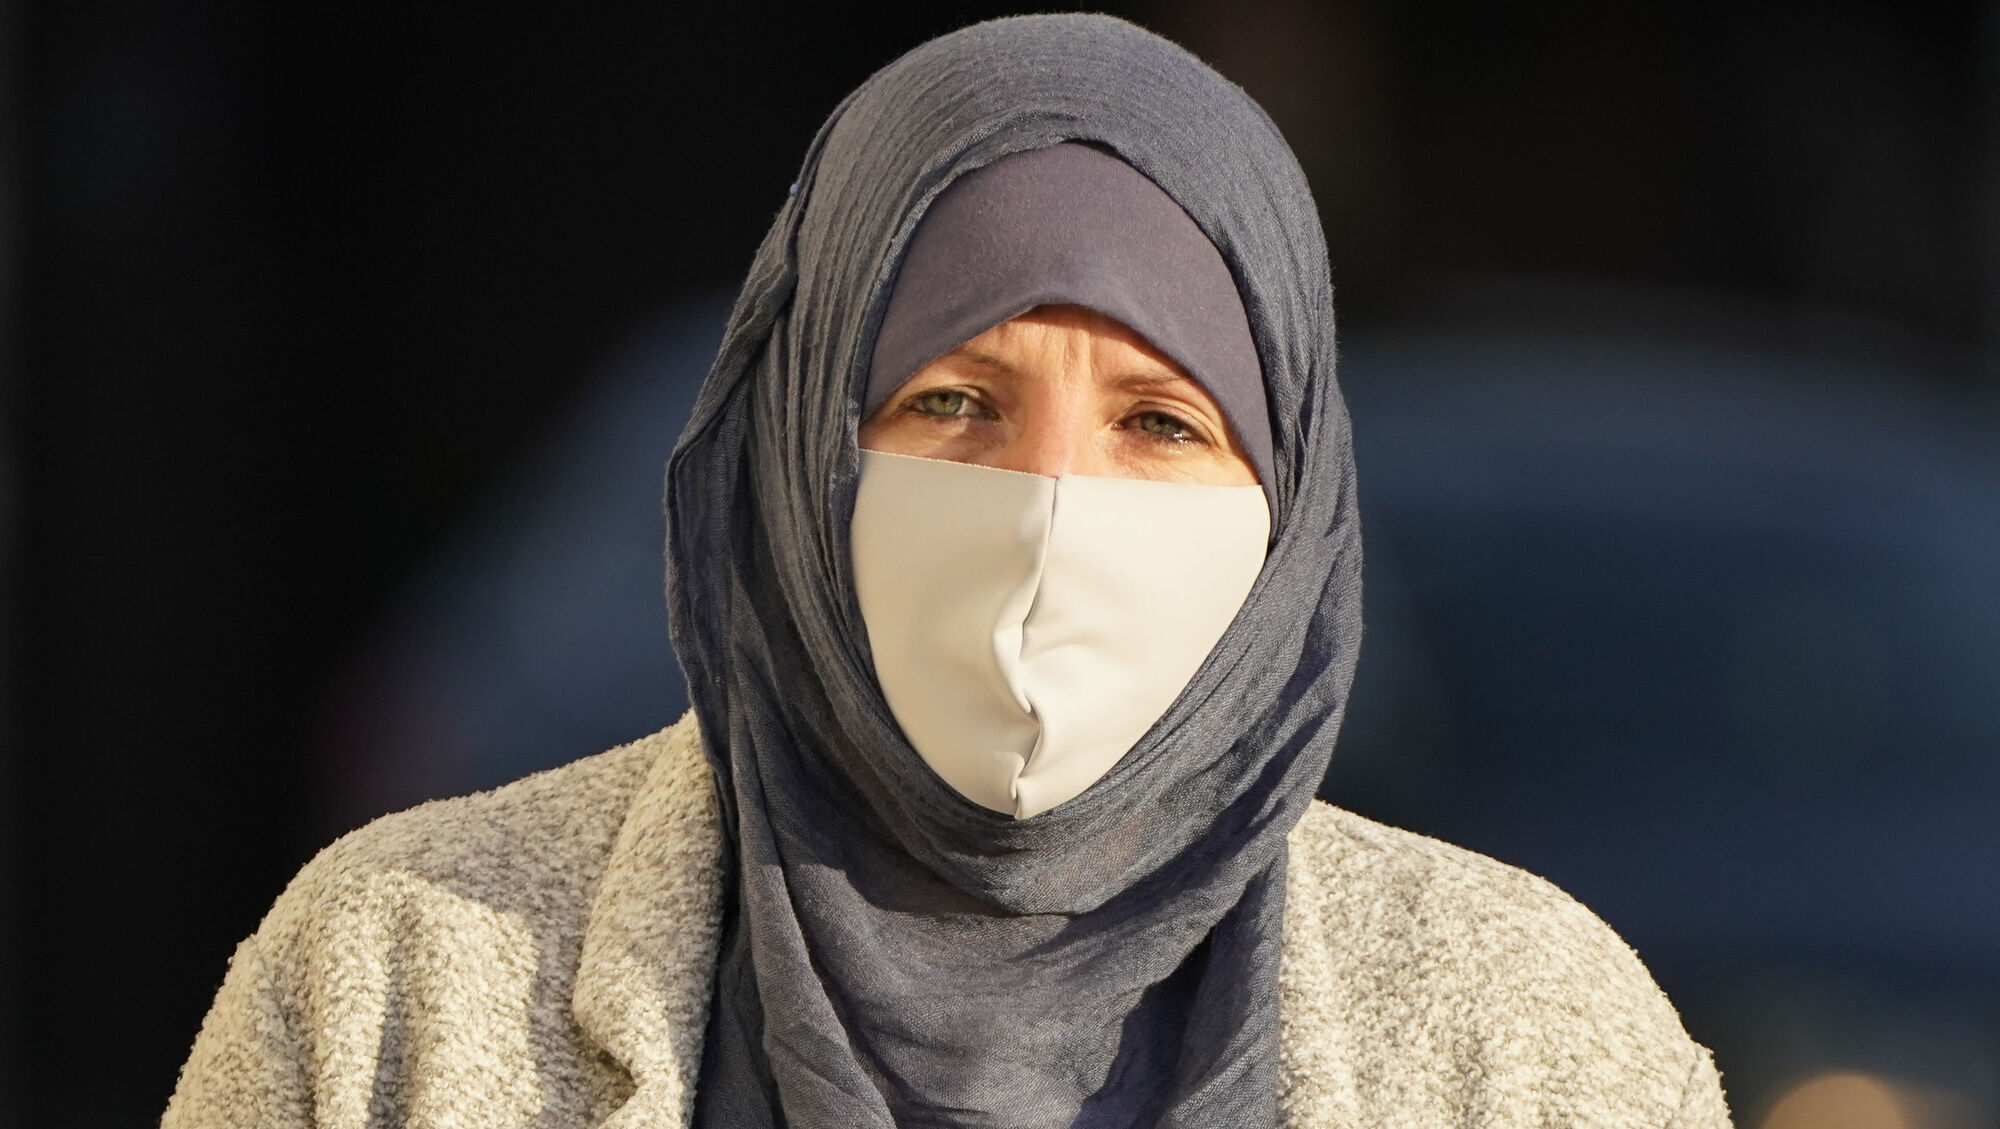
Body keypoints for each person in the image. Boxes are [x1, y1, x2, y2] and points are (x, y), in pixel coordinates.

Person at [162, 14, 1731, 1128]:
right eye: (954, 405)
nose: (1049, 514)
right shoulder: (391, 986)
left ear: (1293, 509)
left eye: (1159, 422)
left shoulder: (1535, 1045)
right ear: (800, 448)